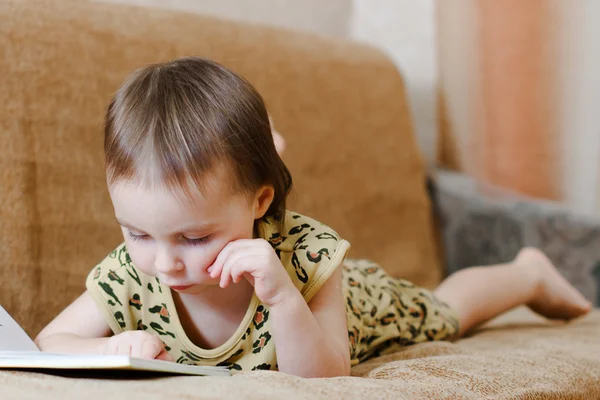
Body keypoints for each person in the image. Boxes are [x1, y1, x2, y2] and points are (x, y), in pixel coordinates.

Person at [35, 57, 592, 378]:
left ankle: (528, 272)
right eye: (136, 233)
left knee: (447, 310)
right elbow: (50, 342)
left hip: (353, 309)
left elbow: (326, 379)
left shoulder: (306, 258)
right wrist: (106, 348)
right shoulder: (135, 272)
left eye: (195, 237)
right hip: (256, 200)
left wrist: (282, 298)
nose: (165, 262)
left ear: (258, 204)